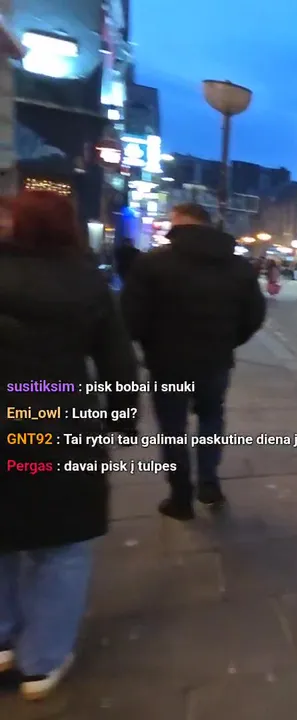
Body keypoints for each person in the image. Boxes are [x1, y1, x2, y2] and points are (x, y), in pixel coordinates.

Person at [0, 191, 139, 700]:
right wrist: (122, 420)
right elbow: (118, 361)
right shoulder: (87, 282)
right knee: (62, 545)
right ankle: (42, 660)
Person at [121, 202, 266, 520]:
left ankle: (181, 496)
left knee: (173, 428)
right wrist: (229, 340)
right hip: (215, 360)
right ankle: (209, 483)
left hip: (167, 363)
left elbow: (131, 317)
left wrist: (149, 344)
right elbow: (255, 314)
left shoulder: (152, 264)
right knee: (211, 419)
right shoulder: (237, 266)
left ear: (179, 222)